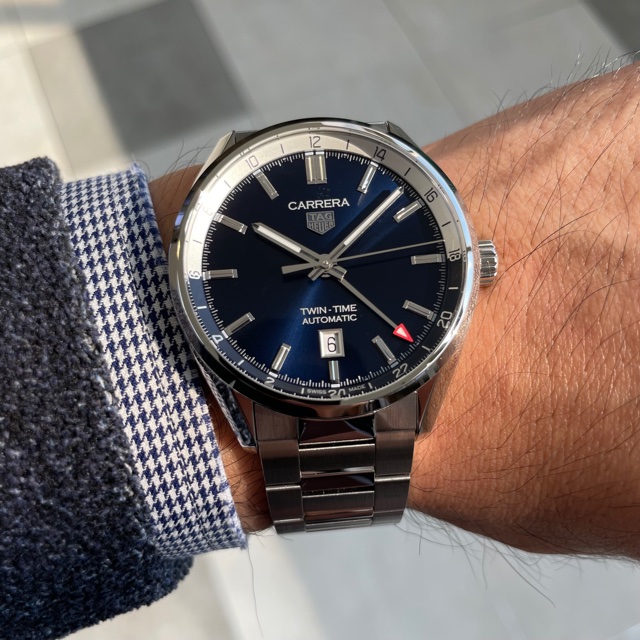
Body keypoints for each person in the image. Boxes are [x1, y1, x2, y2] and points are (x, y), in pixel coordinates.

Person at [1, 61, 639, 639]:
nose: (326, 270)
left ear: (480, 262)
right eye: (319, 265)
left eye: (333, 263)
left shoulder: (446, 266)